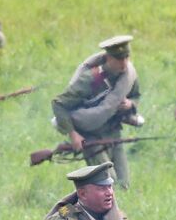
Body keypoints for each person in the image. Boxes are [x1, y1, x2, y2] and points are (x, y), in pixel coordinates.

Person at [51, 35, 144, 188]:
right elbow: (59, 104)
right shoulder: (90, 79)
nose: (124, 63)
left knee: (124, 184)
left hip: (114, 133)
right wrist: (73, 135)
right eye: (119, 59)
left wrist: (130, 104)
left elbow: (136, 96)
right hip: (91, 137)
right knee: (108, 182)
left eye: (127, 57)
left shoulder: (128, 77)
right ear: (108, 58)